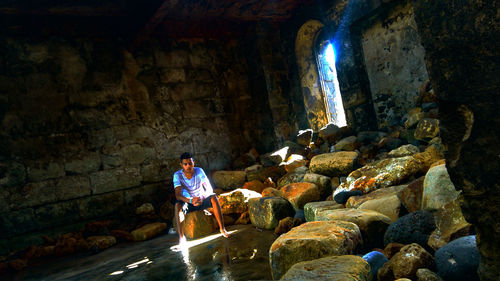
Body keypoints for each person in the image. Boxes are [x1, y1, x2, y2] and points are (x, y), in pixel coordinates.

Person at [173, 152, 229, 243]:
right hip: (189, 202)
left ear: (193, 163)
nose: (188, 166)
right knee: (177, 206)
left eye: (190, 163)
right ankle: (181, 237)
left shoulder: (199, 170)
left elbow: (209, 188)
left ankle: (222, 229)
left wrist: (202, 197)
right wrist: (191, 200)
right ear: (181, 165)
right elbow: (178, 195)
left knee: (214, 197)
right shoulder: (177, 175)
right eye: (185, 164)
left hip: (200, 199)